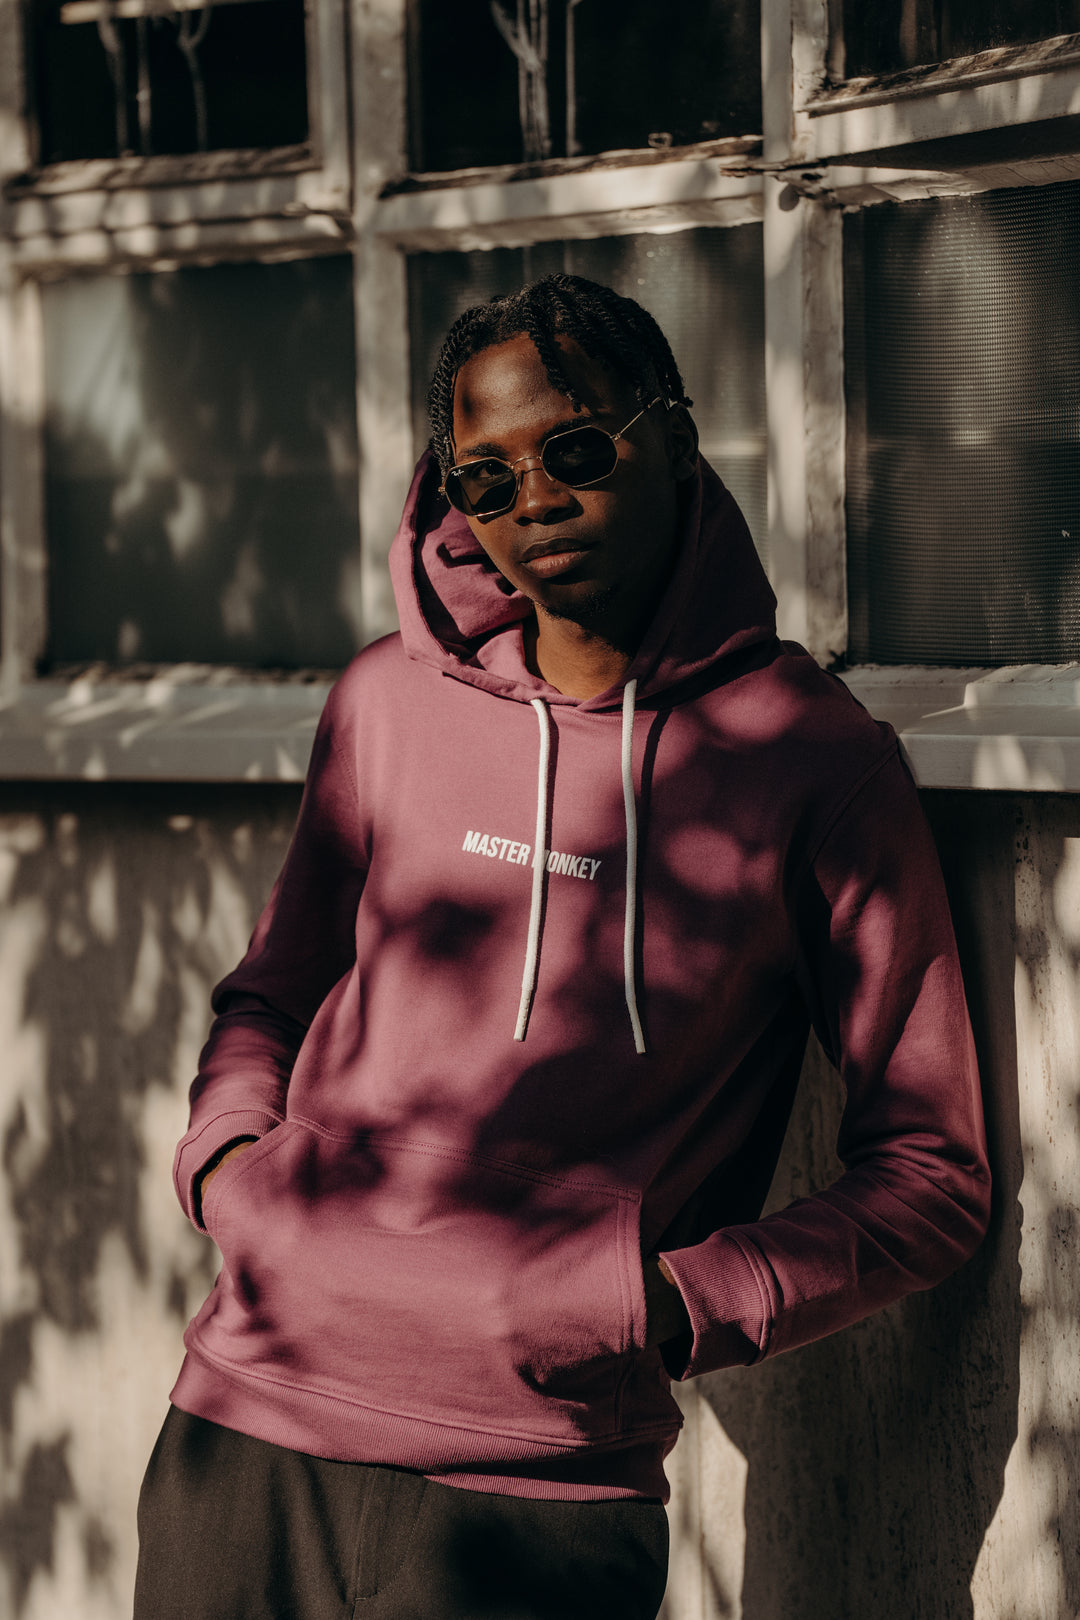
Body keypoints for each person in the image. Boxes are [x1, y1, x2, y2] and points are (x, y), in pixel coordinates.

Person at [134, 274, 991, 1619]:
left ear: (676, 435)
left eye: (576, 448)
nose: (534, 498)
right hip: (250, 1415)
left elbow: (933, 1174)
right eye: (484, 476)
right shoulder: (384, 704)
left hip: (542, 1482)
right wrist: (232, 1174)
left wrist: (658, 1306)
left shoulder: (812, 760)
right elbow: (273, 991)